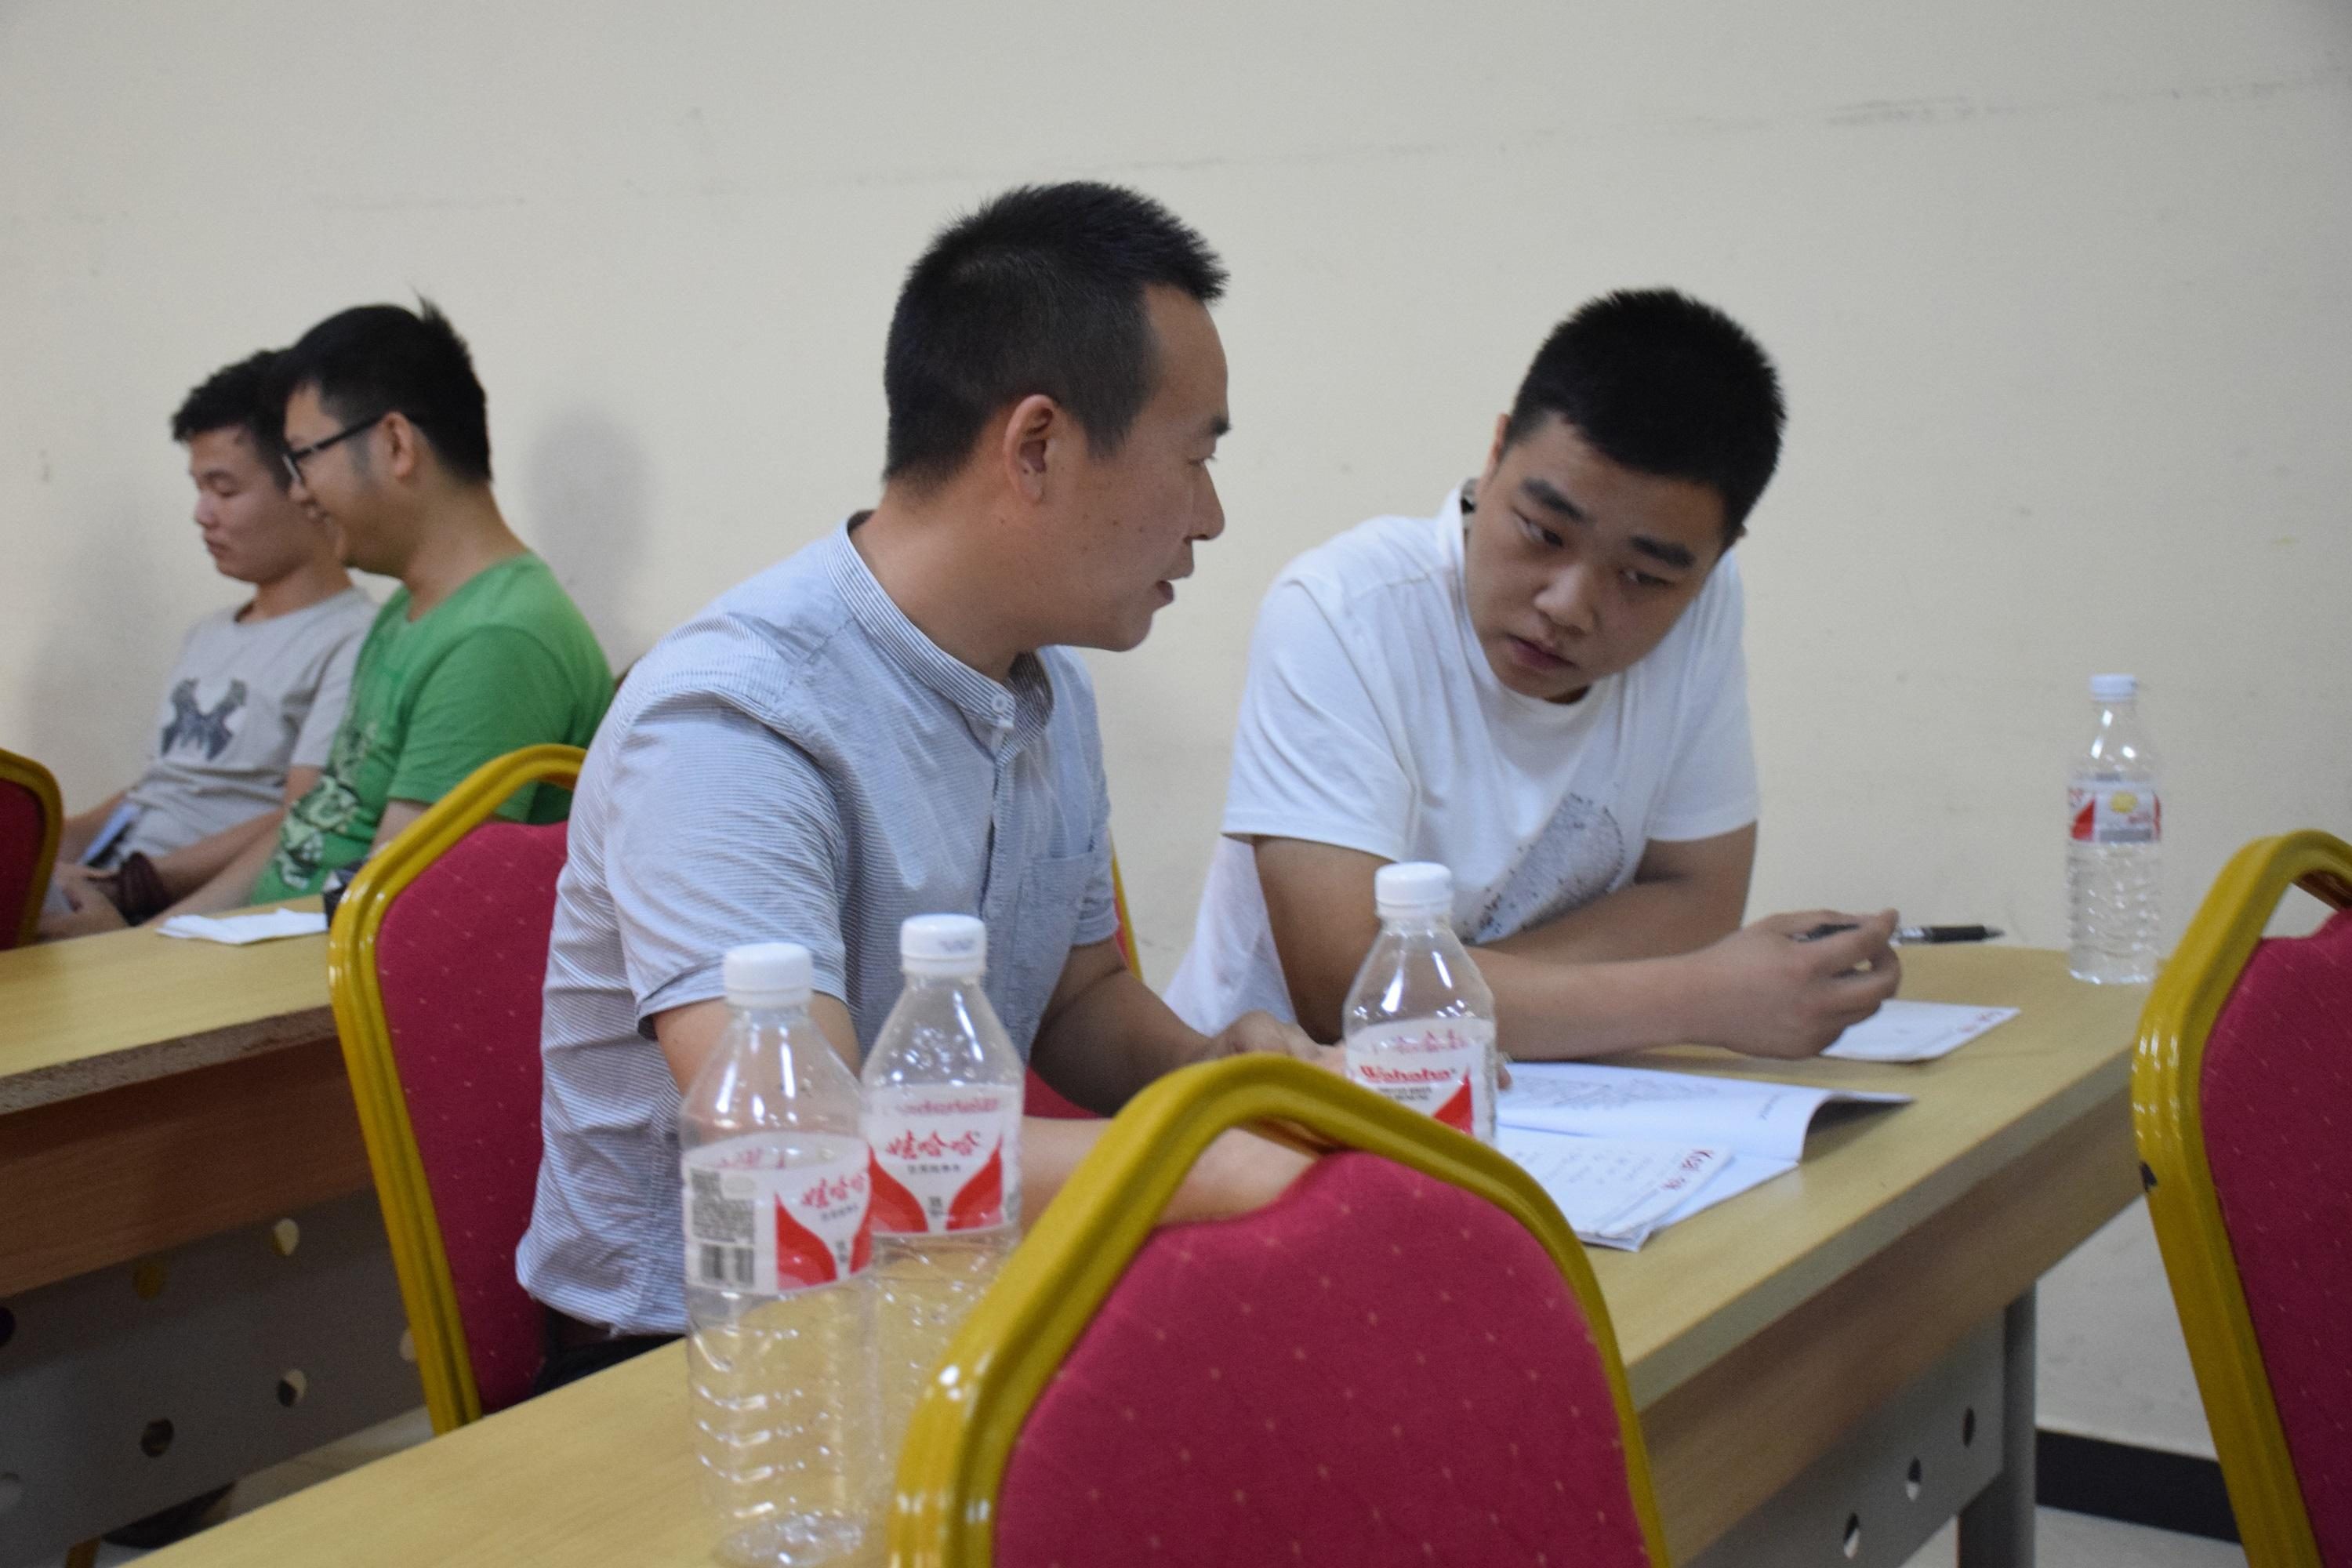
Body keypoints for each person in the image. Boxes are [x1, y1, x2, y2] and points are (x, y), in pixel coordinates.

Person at [517, 183, 1323, 1386]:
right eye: (1195, 459)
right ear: (1038, 447)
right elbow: (798, 1148)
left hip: (943, 1298)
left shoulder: (1046, 679)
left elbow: (1077, 997)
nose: (1209, 517)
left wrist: (1220, 1073)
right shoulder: (730, 718)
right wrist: (1191, 1161)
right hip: (702, 1362)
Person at [1165, 289, 1902, 1060]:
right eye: (1543, 532)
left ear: (1717, 556)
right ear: (1494, 454)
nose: (1569, 605)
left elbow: (1699, 897)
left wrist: (1449, 992)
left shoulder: (1706, 604)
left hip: (1547, 1089)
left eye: (1643, 577)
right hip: (1281, 1101)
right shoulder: (1343, 612)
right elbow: (1346, 991)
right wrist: (1698, 996)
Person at [143, 302, 613, 920]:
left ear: (396, 444)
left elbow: (401, 916)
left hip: (313, 972)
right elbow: (309, 827)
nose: (299, 491)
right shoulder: (409, 609)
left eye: (305, 457)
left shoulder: (496, 639)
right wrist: (162, 934)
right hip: (266, 946)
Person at [41, 351, 377, 938]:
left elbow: (302, 819)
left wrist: (134, 890)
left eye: (224, 489)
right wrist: (43, 849)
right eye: (199, 489)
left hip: (180, 906)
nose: (202, 515)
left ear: (304, 486)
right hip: (116, 876)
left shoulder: (351, 638)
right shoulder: (208, 634)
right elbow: (160, 791)